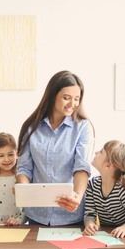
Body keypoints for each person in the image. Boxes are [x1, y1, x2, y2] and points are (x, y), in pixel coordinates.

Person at [16, 70, 94, 226]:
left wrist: (77, 196)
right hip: (36, 215)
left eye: (77, 99)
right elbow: (24, 168)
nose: (72, 104)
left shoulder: (82, 127)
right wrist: (23, 191)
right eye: (66, 98)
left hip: (71, 215)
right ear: (52, 96)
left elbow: (82, 166)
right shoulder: (31, 127)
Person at [83, 140, 125, 238]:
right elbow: (90, 212)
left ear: (108, 166)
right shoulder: (92, 184)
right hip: (107, 234)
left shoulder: (123, 191)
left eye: (101, 152)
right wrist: (89, 224)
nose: (96, 153)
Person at [0, 132, 26, 226]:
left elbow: (28, 207)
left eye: (10, 154)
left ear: (17, 153)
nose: (6, 159)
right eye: (1, 156)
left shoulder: (22, 179)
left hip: (17, 229)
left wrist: (19, 220)